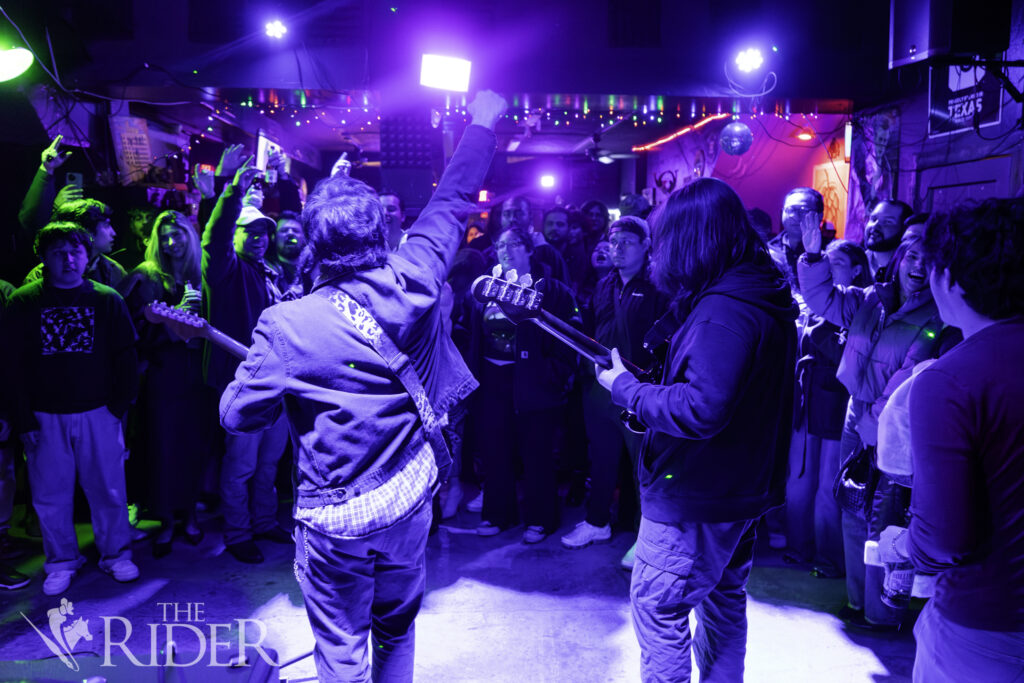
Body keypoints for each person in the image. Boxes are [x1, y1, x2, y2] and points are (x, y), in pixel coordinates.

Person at [220, 90, 506, 682]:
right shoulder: (417, 275)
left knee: (342, 648)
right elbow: (451, 200)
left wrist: (275, 377)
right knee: (396, 628)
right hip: (408, 499)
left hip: (336, 518)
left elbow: (237, 416)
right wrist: (481, 122)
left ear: (314, 244)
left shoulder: (287, 323)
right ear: (382, 235)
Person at [596, 178, 797, 681]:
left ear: (691, 239)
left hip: (696, 493)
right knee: (723, 604)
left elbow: (702, 407)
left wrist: (628, 392)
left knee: (659, 610)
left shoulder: (724, 311)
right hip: (737, 490)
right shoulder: (757, 291)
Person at [876, 198, 1024, 681]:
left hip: (988, 621)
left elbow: (944, 539)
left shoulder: (947, 379)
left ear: (951, 279)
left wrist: (902, 545)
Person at [797, 206, 944, 630]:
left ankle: (883, 614)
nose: (919, 264)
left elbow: (908, 377)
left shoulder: (934, 319)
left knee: (884, 519)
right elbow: (822, 299)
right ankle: (858, 602)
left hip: (893, 427)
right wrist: (812, 257)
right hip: (855, 414)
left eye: (928, 259)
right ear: (898, 259)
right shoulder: (867, 301)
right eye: (912, 254)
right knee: (850, 504)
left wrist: (874, 422)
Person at [1, 222, 140, 595]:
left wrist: (117, 408)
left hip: (99, 412)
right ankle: (61, 561)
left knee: (109, 490)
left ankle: (116, 555)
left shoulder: (108, 299)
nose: (68, 259)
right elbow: (10, 366)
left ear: (87, 254)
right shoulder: (24, 301)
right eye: (59, 252)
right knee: (49, 495)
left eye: (76, 251)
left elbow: (127, 358)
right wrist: (23, 417)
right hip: (44, 416)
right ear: (43, 257)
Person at [562, 216, 670, 562]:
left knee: (643, 466)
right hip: (600, 388)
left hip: (639, 390)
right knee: (602, 458)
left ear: (646, 245)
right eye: (614, 241)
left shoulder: (658, 286)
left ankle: (647, 537)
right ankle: (597, 522)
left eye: (627, 242)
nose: (618, 249)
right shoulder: (604, 284)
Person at [469, 222, 581, 543]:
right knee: (495, 450)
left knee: (537, 453)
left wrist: (552, 374)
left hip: (534, 382)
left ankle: (541, 519)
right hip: (493, 380)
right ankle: (498, 514)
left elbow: (570, 338)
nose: (505, 251)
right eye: (500, 246)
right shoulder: (487, 288)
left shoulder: (553, 289)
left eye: (513, 244)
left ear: (530, 248)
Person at [202, 164, 290, 564]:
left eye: (262, 232)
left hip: (279, 385)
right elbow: (214, 241)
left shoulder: (268, 272)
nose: (258, 238)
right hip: (244, 385)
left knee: (269, 463)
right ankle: (238, 533)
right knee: (241, 466)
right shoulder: (227, 271)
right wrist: (231, 193)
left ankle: (264, 522)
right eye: (248, 231)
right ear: (234, 235)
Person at [117, 210, 210, 557]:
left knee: (195, 447)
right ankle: (167, 522)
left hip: (198, 376)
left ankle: (190, 516)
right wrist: (173, 323)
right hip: (162, 374)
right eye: (165, 236)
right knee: (162, 449)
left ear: (189, 236)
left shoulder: (201, 273)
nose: (171, 243)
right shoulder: (144, 276)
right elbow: (130, 331)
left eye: (178, 235)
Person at [784, 240, 872, 578]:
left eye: (833, 264)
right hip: (806, 398)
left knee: (828, 483)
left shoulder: (859, 305)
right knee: (799, 477)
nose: (826, 270)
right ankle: (797, 545)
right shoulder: (810, 308)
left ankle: (829, 556)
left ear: (856, 270)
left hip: (840, 399)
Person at [23, 199, 126, 289]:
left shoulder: (114, 270)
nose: (113, 233)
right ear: (86, 230)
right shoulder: (39, 276)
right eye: (106, 225)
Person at [862, 199, 912, 281]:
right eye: (873, 219)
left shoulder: (909, 271)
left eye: (888, 222)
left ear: (904, 230)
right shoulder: (856, 262)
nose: (875, 226)